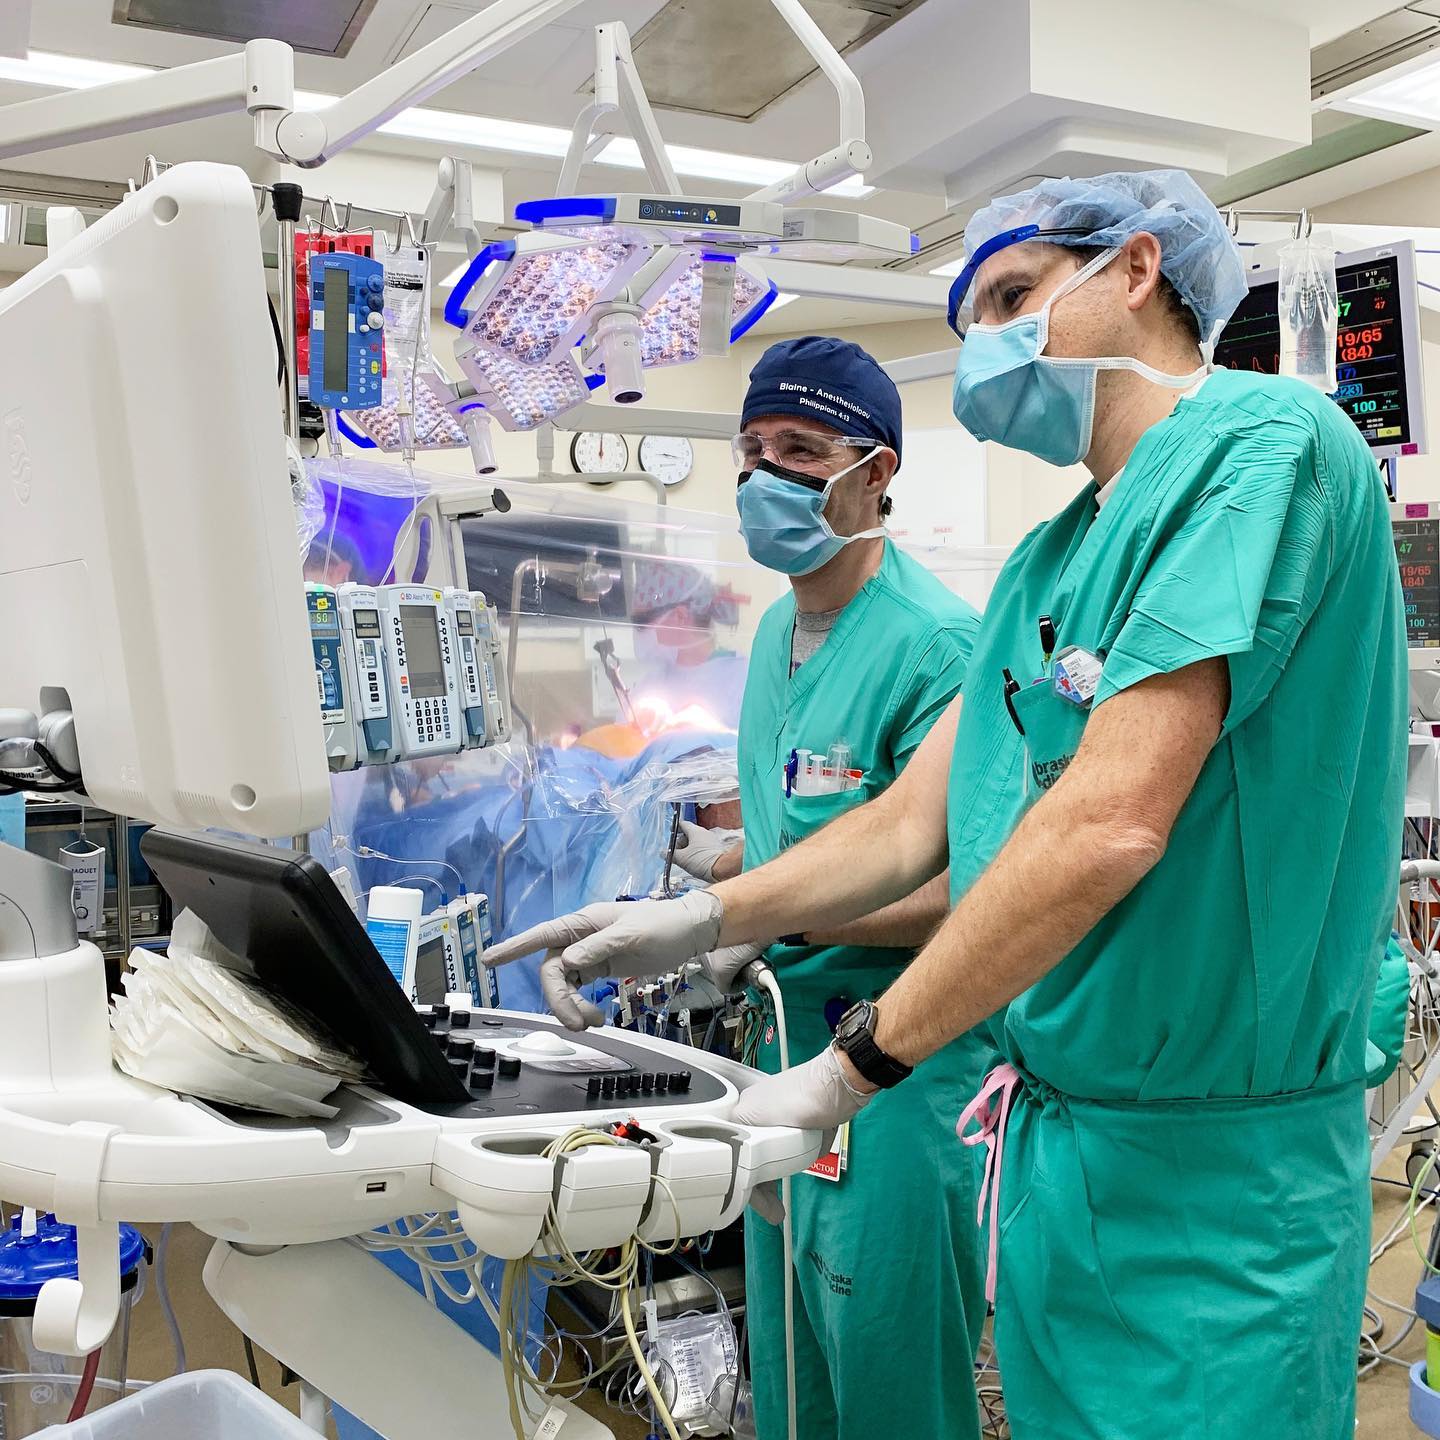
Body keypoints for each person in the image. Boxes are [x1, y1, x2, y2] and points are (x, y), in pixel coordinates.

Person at [486, 171, 1407, 1439]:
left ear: (1138, 270)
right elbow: (914, 823)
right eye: (974, 319)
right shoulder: (1048, 561)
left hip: (1215, 1180)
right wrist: (702, 921)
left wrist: (852, 1068)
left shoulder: (1265, 446)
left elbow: (1109, 822)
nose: (989, 345)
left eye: (1015, 297)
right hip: (1061, 1149)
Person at [491, 336, 991, 1440]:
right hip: (771, 1060)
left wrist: (742, 922)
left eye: (801, 450)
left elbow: (962, 888)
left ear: (877, 471)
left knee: (892, 1388)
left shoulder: (938, 646)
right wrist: (688, 863)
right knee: (796, 1382)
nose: (767, 475)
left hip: (893, 1070)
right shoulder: (774, 636)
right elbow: (789, 844)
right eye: (752, 449)